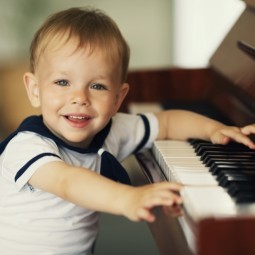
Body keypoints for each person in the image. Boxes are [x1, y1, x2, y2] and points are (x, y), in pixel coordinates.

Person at [1, 7, 255, 255]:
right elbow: (67, 182)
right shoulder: (27, 147)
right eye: (62, 82)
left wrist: (215, 130)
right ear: (35, 90)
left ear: (117, 98)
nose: (79, 97)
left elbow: (167, 122)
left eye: (98, 86)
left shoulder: (113, 129)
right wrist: (127, 198)